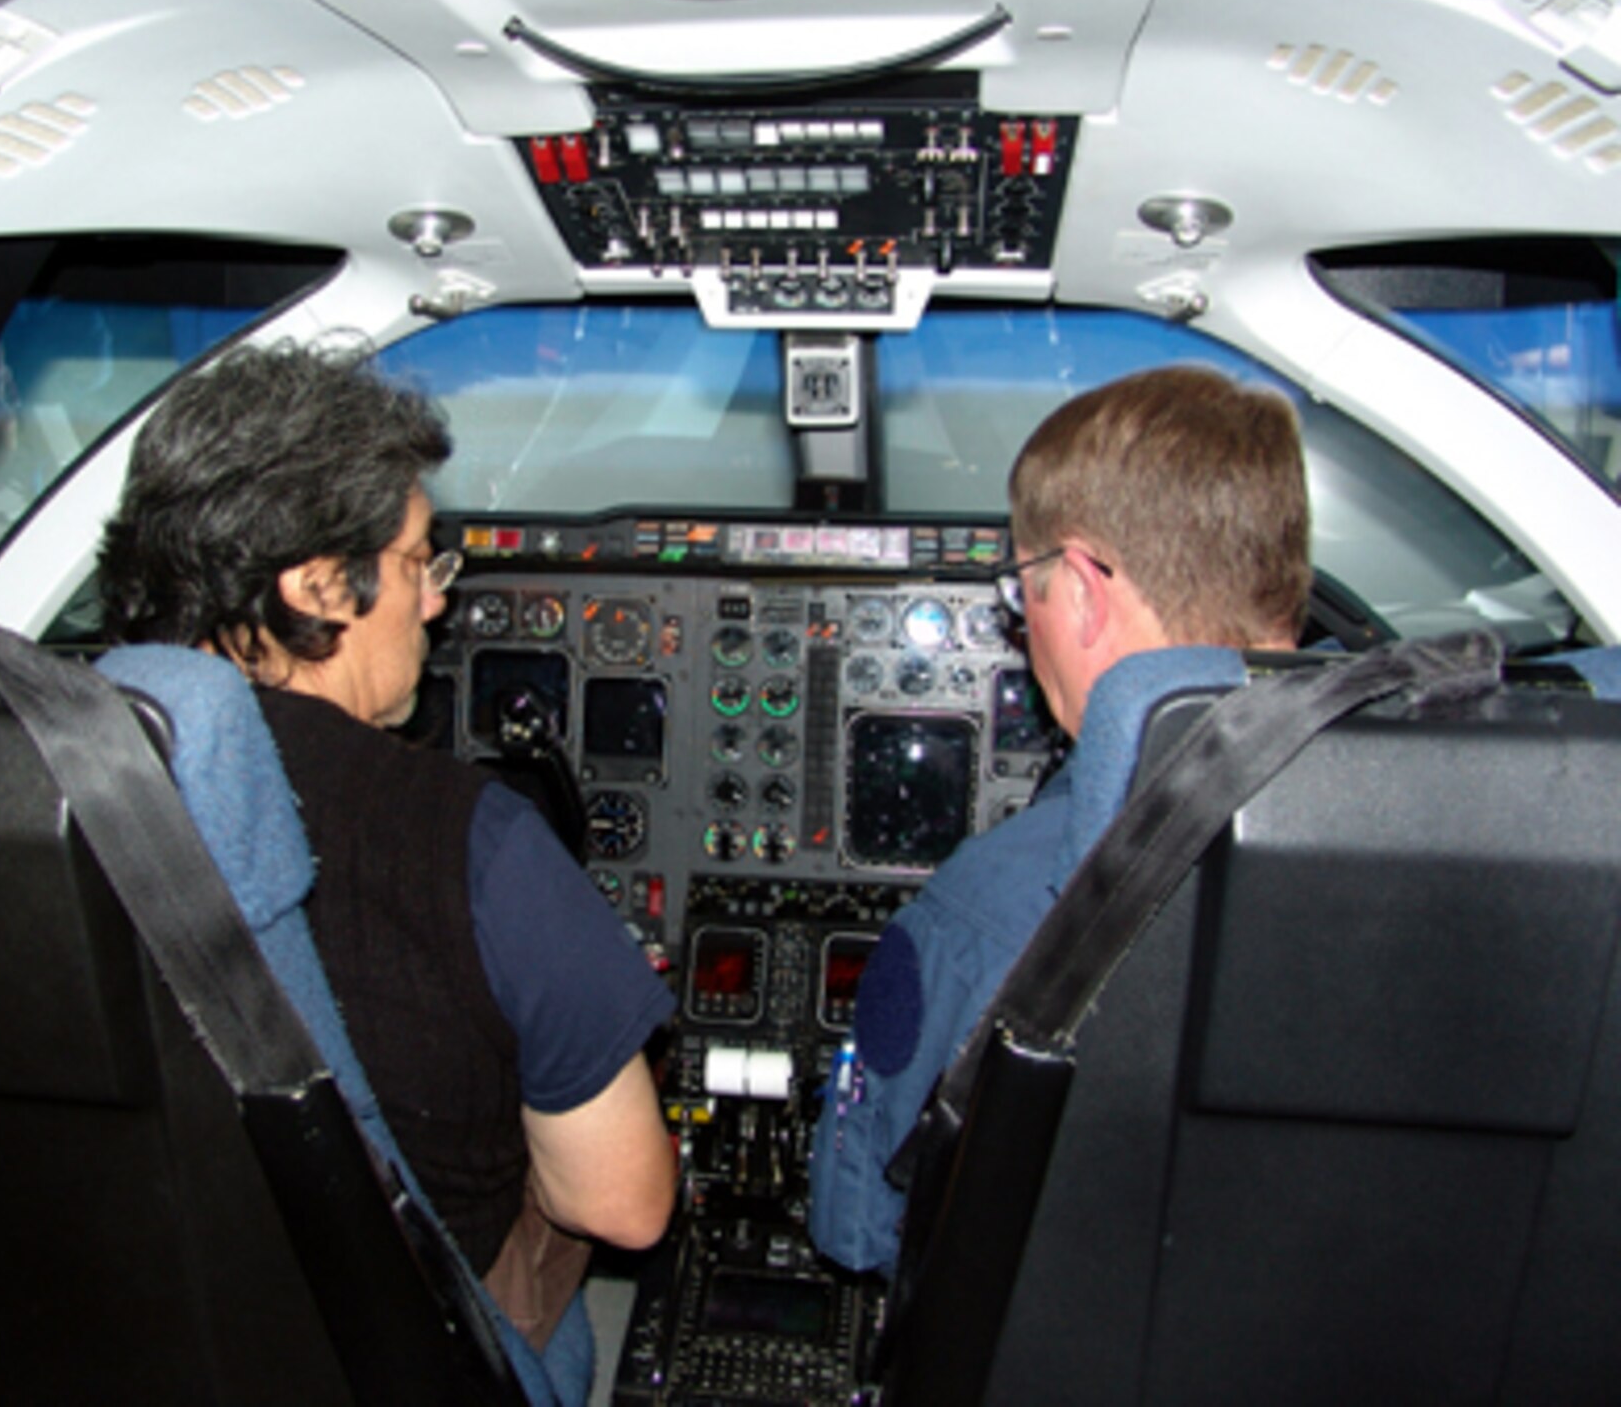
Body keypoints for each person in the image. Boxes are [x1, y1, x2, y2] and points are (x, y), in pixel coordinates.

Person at [97, 342, 677, 1348]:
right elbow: (624, 1207)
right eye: (419, 562)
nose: (437, 601)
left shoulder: (42, 779)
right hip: (395, 1339)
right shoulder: (474, 838)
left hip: (149, 1307)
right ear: (320, 585)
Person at [808, 364, 1312, 1274]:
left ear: (1080, 586)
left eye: (1021, 588)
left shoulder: (987, 908)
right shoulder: (1496, 829)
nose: (1020, 621)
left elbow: (856, 1228)